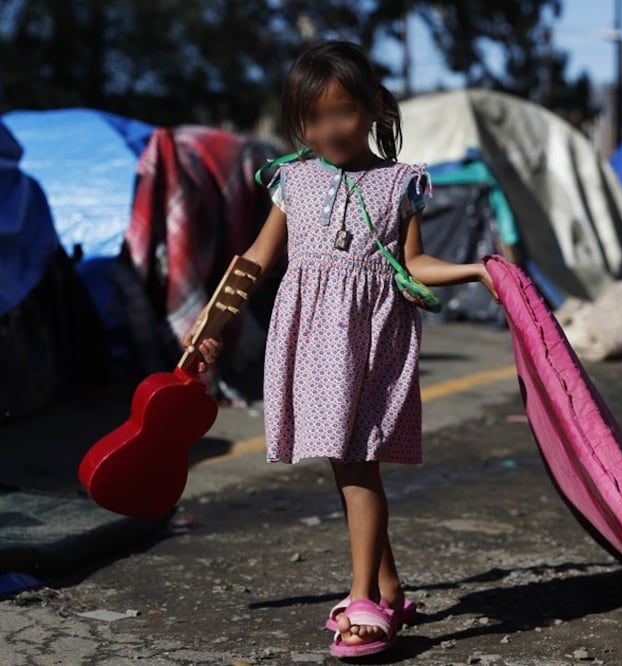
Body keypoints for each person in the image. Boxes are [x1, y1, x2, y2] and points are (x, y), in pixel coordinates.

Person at [183, 40, 499, 659]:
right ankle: (390, 590)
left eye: (343, 111)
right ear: (297, 121)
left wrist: (474, 271)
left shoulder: (400, 182)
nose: (329, 128)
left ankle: (362, 602)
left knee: (358, 461)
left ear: (374, 109)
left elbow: (414, 264)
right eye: (314, 116)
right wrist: (212, 323)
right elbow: (254, 261)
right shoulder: (291, 181)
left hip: (374, 340)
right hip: (310, 339)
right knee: (346, 462)